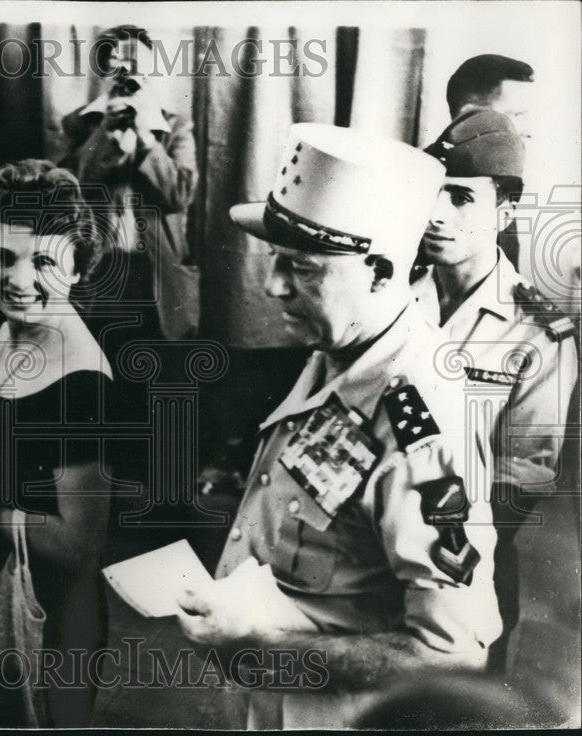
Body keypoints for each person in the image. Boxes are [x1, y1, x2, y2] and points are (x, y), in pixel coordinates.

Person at [175, 124, 502, 729]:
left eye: (301, 268)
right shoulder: (336, 351)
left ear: (380, 272)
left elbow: (449, 655)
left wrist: (263, 646)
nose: (272, 286)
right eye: (274, 259)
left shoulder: (422, 422)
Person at [0, 160, 113, 727]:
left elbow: (77, 545)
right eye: (2, 257)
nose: (17, 278)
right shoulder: (9, 328)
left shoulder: (84, 385)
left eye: (44, 261)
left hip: (49, 624)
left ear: (79, 268)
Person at [415, 108, 578, 671]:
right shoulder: (390, 297)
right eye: (432, 192)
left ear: (504, 210)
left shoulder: (537, 331)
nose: (437, 214)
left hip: (466, 560)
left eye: (461, 198)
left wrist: (429, 528)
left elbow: (521, 478)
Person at [60, 25, 199, 512]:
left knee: (158, 386)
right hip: (99, 272)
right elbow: (73, 186)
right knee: (99, 384)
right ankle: (101, 501)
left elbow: (180, 193)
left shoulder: (174, 126)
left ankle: (159, 501)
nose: (127, 69)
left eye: (136, 60)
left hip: (153, 275)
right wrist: (104, 129)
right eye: (117, 61)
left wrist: (143, 134)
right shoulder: (79, 125)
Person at [444, 54, 535, 266]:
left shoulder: (498, 192)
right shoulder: (417, 187)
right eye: (518, 115)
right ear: (470, 114)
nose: (528, 130)